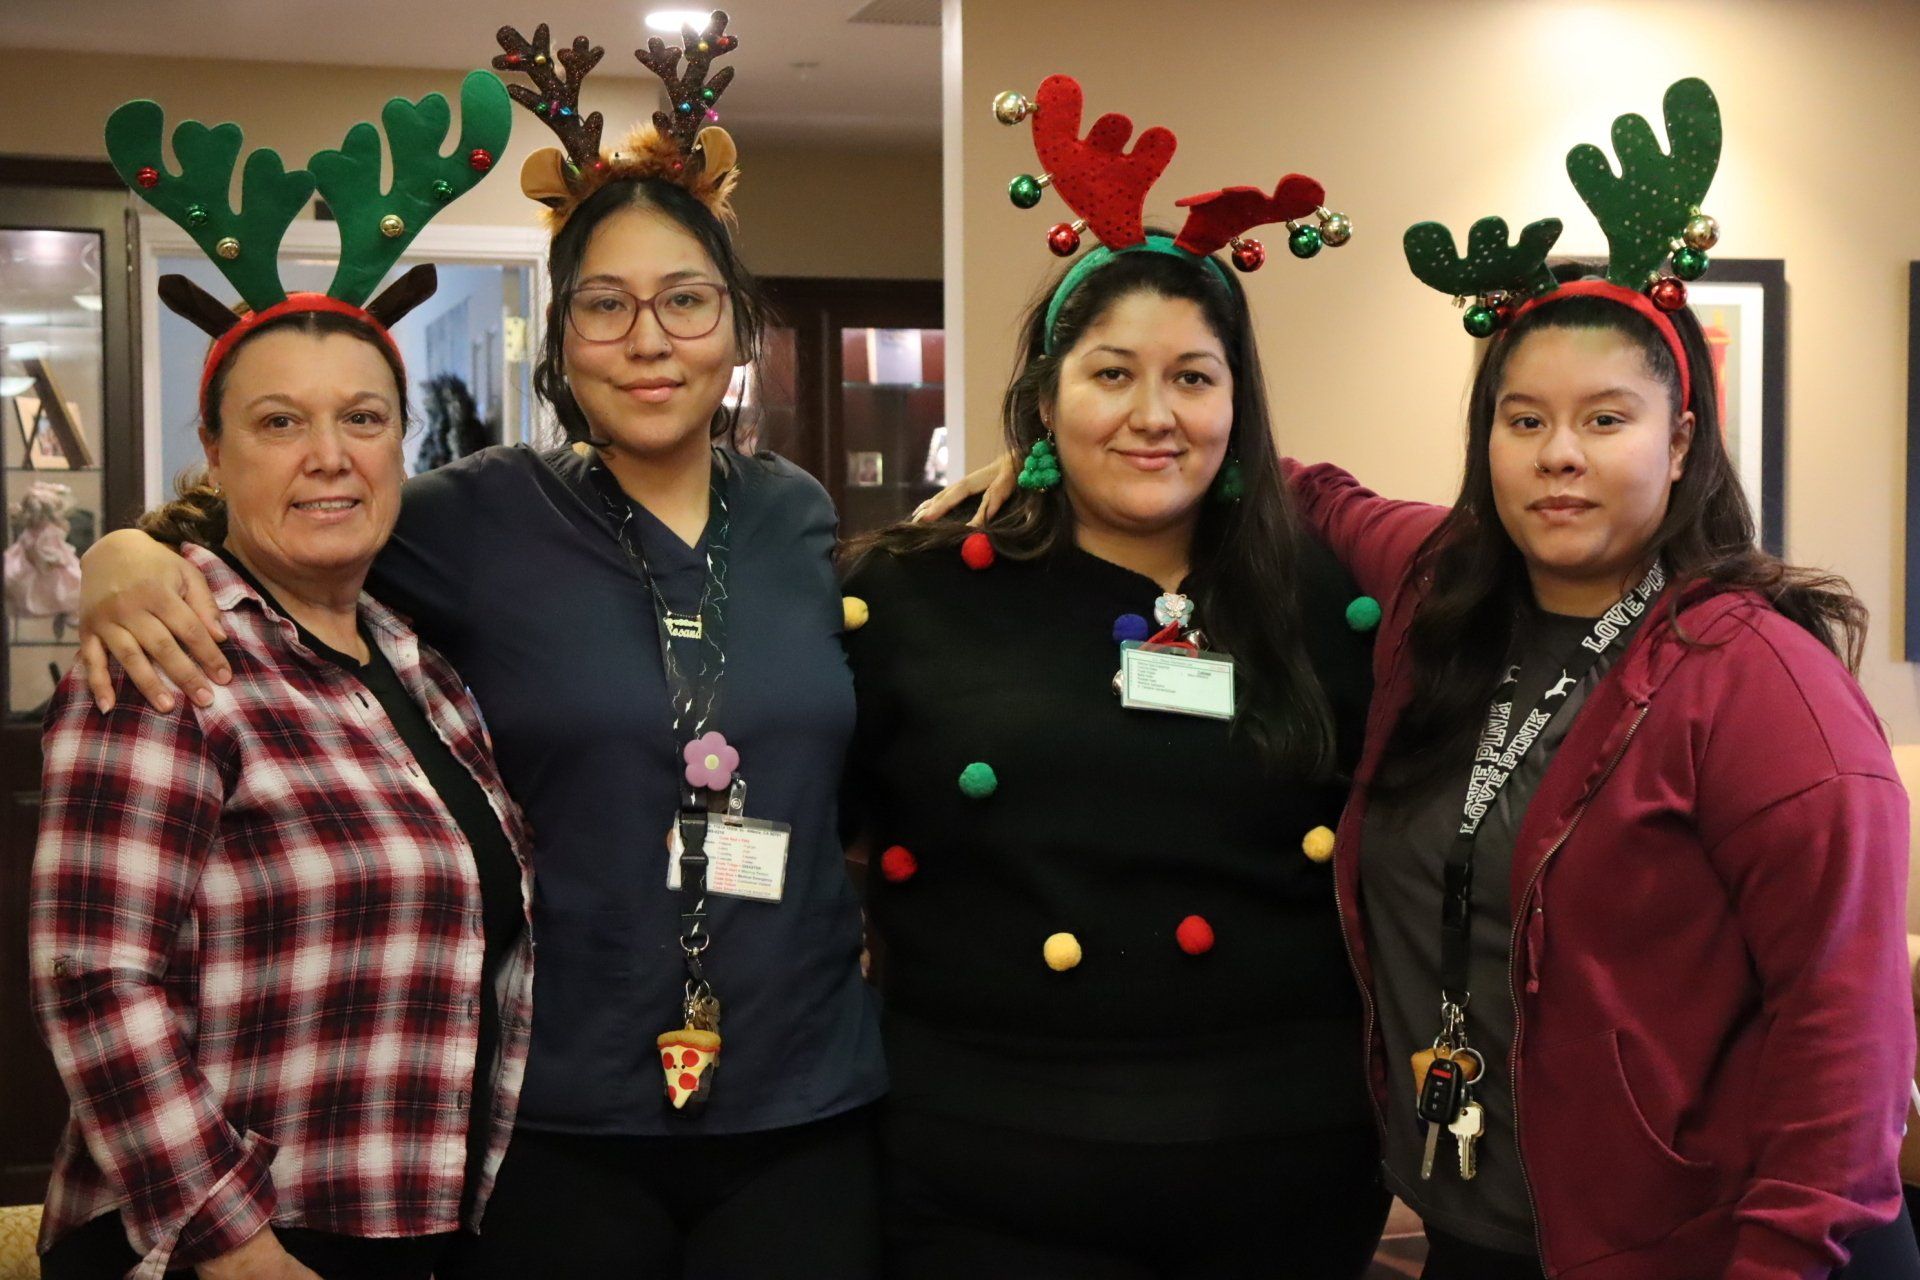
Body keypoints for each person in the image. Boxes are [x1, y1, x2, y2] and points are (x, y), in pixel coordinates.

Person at [72, 17, 886, 1278]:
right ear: (560, 342)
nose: (648, 337)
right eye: (604, 306)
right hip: (553, 1112)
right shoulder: (472, 513)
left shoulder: (796, 512)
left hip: (806, 1095)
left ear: (738, 331)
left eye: (685, 301)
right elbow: (282, 520)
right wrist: (117, 554)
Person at [840, 74, 1386, 1279]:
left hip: (1287, 1179)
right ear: (1045, 395)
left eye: (1193, 377)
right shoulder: (915, 594)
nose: (1155, 415)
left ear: (1239, 407)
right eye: (1111, 374)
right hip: (984, 1183)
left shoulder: (1330, 604)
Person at [34, 74, 533, 1280]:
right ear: (214, 447)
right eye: (279, 423)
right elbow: (99, 978)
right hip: (223, 1248)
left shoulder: (426, 672)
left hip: (411, 1223)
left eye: (363, 419)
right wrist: (235, 1244)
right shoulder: (168, 651)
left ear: (403, 445)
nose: (329, 456)